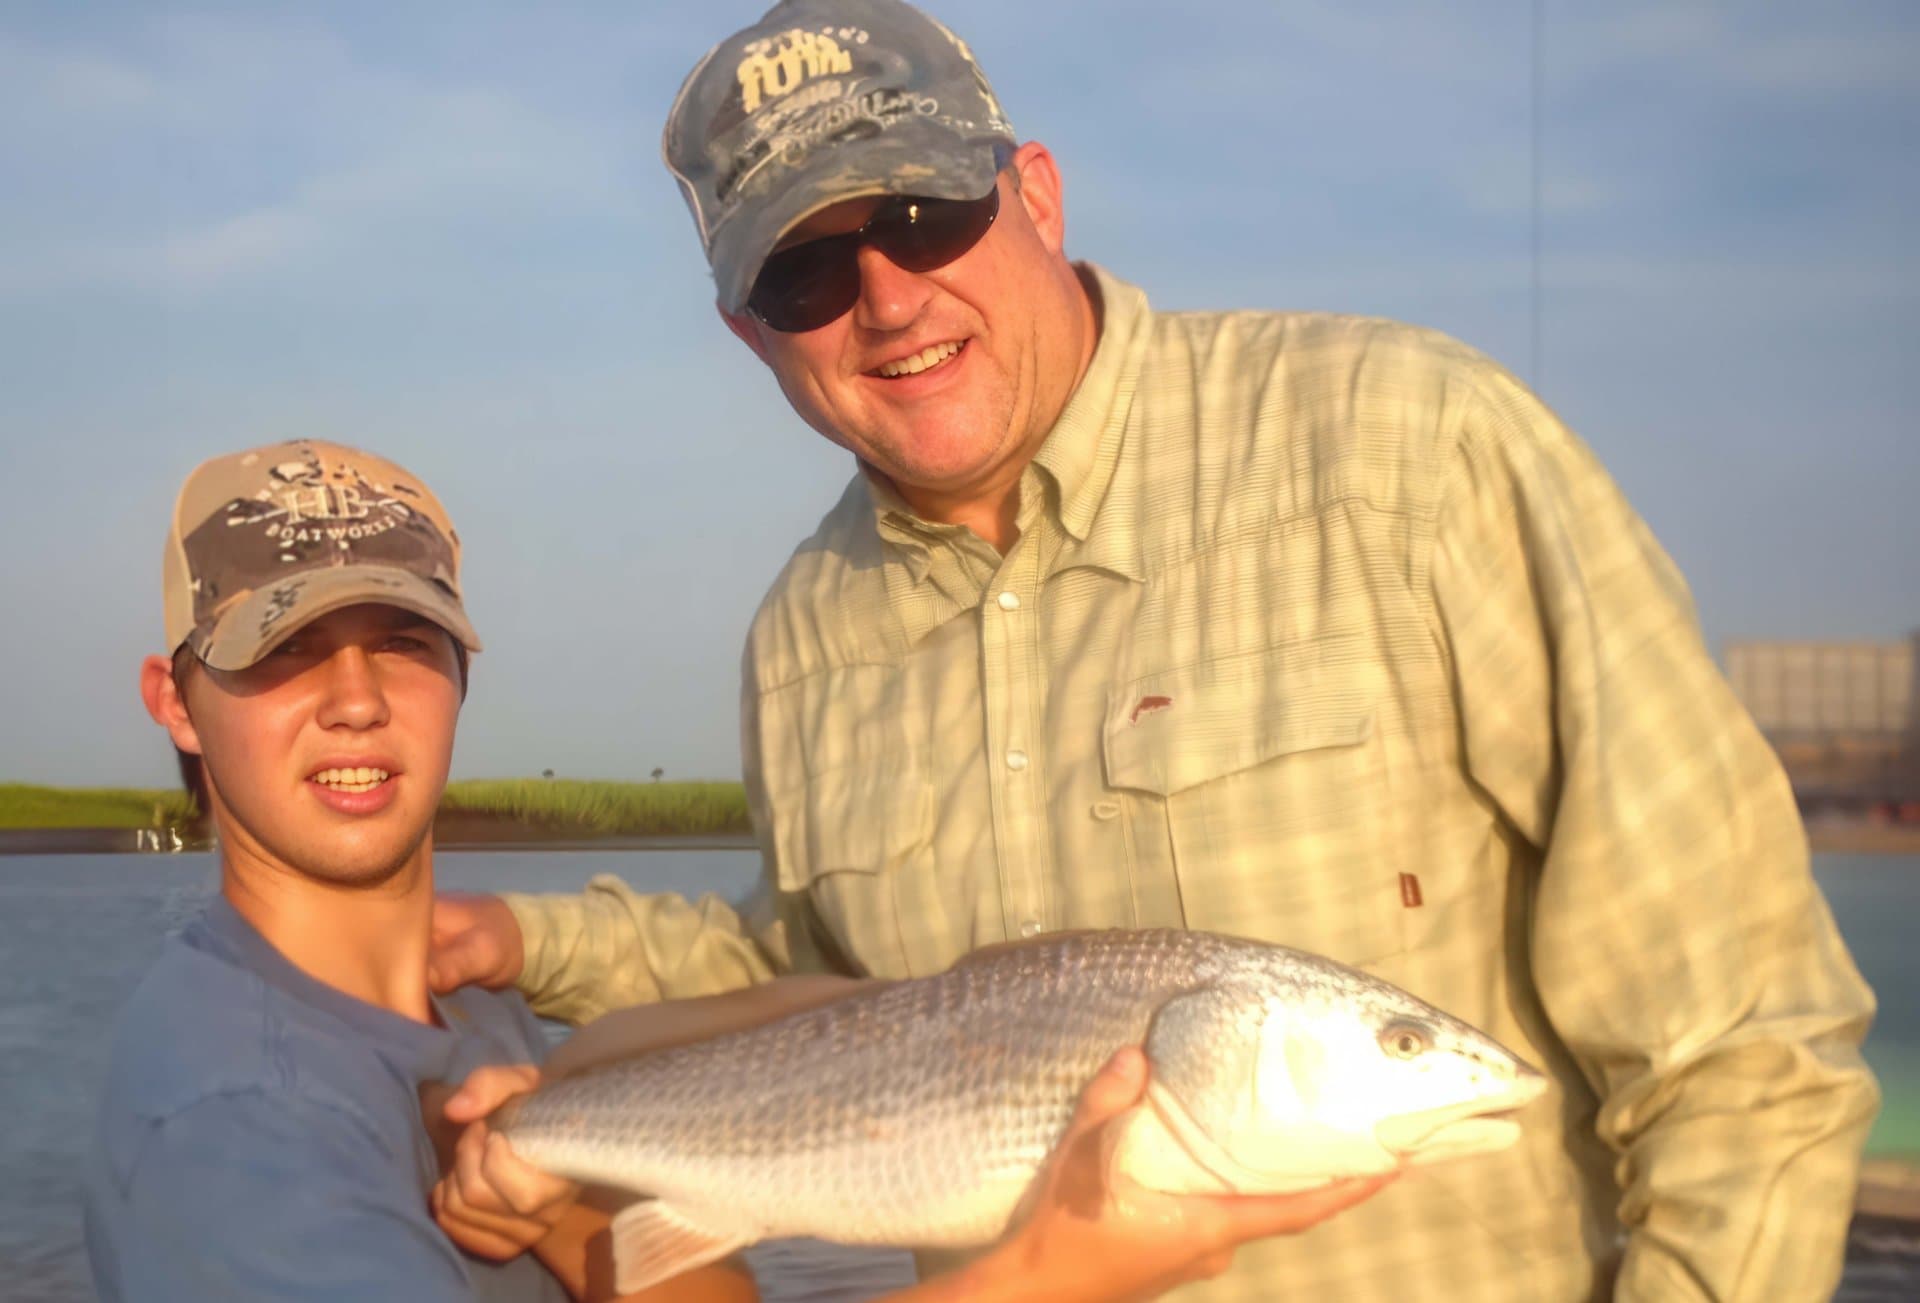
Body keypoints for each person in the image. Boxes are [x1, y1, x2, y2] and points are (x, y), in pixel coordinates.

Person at [430, 1, 1882, 1298]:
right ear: (754, 338)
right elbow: (823, 984)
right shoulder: (803, 631)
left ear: (1037, 196)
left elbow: (1747, 1040)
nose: (887, 296)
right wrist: (516, 940)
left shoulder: (1412, 445)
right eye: (807, 270)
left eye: (926, 215)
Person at [85, 438, 1386, 1303]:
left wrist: (552, 1209)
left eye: (401, 641)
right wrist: (1060, 1259)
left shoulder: (464, 1027)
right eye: (284, 652)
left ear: (463, 674)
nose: (356, 700)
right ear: (177, 702)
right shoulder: (234, 1128)